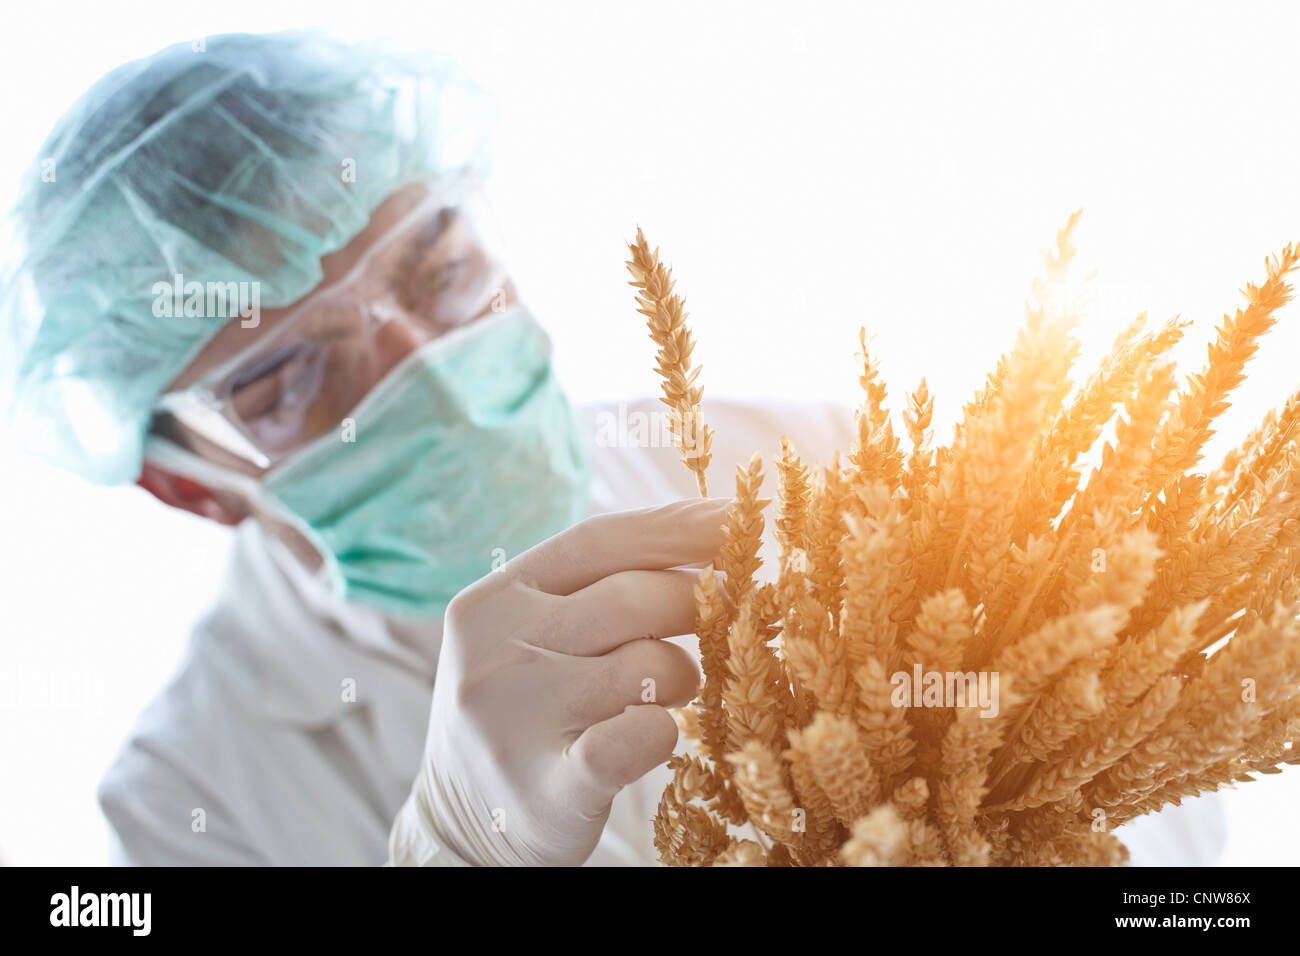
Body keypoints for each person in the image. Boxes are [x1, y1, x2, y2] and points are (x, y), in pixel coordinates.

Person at [1, 31, 1222, 866]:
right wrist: (457, 847)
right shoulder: (183, 803)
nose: (425, 361)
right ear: (182, 484)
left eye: (437, 266)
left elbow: (1177, 801)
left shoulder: (831, 466)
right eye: (284, 375)